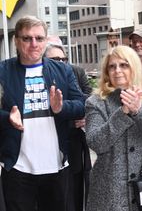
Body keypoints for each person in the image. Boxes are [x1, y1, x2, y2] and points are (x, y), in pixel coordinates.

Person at [0, 15, 86, 211]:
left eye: (39, 38)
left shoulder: (62, 71)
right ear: (16, 41)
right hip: (18, 168)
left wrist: (61, 108)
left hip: (56, 166)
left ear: (46, 41)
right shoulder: (3, 71)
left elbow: (82, 104)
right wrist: (7, 117)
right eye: (26, 38)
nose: (33, 44)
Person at [84, 45, 142, 211]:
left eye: (124, 65)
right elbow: (95, 142)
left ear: (134, 68)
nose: (117, 70)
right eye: (112, 66)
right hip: (109, 191)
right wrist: (123, 113)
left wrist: (139, 110)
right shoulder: (95, 102)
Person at [44, 40, 92, 211]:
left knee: (75, 191)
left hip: (73, 142)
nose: (60, 63)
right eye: (55, 59)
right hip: (47, 147)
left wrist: (84, 117)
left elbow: (88, 99)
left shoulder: (76, 72)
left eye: (63, 59)